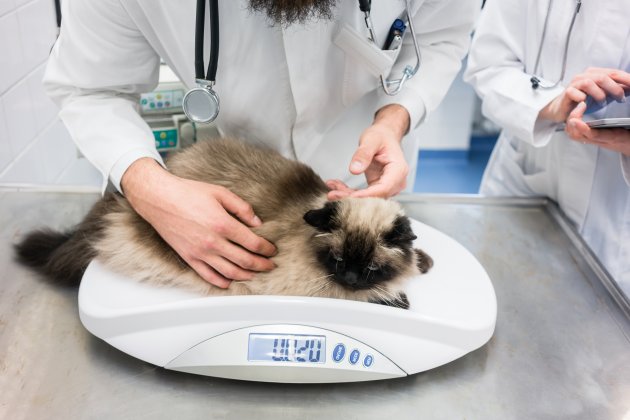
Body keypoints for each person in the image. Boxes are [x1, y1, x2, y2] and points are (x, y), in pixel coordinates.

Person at [44, 0, 480, 289]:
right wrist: (147, 187)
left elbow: (441, 35)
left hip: (368, 182)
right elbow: (90, 88)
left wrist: (395, 116)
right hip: (238, 191)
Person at [465, 0, 630, 295]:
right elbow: (489, 65)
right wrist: (551, 104)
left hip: (618, 222)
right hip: (524, 182)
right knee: (500, 302)